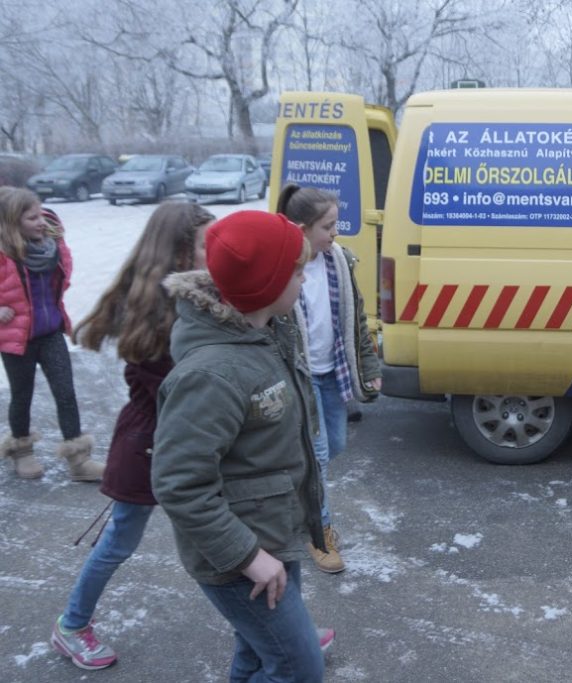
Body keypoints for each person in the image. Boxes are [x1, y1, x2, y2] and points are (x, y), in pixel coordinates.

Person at [151, 210, 329, 682]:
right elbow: (179, 484)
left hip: (272, 532)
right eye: (296, 269)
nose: (304, 277)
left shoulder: (265, 332)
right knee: (298, 668)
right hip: (237, 555)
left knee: (256, 653)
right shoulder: (212, 374)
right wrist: (248, 558)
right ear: (265, 284)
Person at [50, 202, 215, 670]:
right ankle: (71, 625)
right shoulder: (157, 311)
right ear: (180, 253)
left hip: (185, 441)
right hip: (150, 446)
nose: (218, 251)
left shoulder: (198, 295)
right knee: (120, 541)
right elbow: (182, 388)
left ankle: (279, 630)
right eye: (208, 244)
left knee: (223, 542)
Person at [276, 184, 382, 574]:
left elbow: (356, 322)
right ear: (301, 229)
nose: (335, 233)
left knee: (333, 445)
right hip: (300, 380)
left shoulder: (339, 260)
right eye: (328, 226)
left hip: (332, 372)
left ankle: (297, 493)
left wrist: (370, 368)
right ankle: (318, 533)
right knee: (318, 457)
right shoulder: (281, 267)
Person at [0, 187, 103, 481]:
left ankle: (79, 460)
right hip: (17, 338)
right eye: (32, 218)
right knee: (22, 395)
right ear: (13, 222)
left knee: (66, 392)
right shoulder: (4, 255)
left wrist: (57, 240)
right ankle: (22, 450)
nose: (40, 222)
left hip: (51, 333)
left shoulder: (50, 248)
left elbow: (64, 278)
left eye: (40, 215)